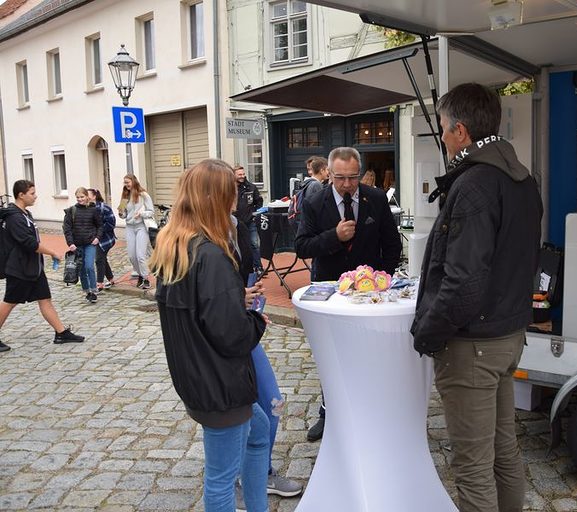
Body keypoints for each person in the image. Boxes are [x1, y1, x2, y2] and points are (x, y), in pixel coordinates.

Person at [410, 83, 543, 512]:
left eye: (445, 129)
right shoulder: (521, 179)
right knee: (503, 452)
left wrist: (427, 333)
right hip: (507, 337)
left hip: (474, 347)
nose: (443, 138)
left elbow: (463, 283)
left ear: (462, 132)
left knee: (472, 467)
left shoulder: (475, 184)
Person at [150, 159, 270, 511]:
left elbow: (197, 308)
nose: (236, 200)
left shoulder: (176, 246)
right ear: (216, 199)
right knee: (220, 479)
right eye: (231, 194)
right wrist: (256, 317)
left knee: (259, 435)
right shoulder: (210, 254)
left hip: (201, 376)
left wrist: (234, 298)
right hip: (221, 384)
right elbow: (233, 335)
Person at [295, 146, 402, 441]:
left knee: (369, 352)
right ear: (329, 174)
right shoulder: (314, 201)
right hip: (330, 292)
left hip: (370, 295)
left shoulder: (376, 199)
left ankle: (371, 411)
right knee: (331, 354)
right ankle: (328, 413)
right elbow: (302, 246)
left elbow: (392, 246)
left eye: (353, 178)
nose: (346, 185)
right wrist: (334, 237)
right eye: (340, 178)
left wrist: (381, 279)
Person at [230, 209, 303, 505]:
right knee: (241, 417)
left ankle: (261, 472)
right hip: (226, 341)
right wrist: (238, 298)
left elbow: (244, 274)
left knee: (272, 403)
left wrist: (252, 301)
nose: (234, 195)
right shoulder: (198, 240)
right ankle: (236, 477)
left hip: (245, 329)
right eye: (228, 188)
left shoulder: (235, 224)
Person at [0, 180, 85, 352]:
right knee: (9, 302)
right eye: (32, 193)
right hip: (19, 268)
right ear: (21, 195)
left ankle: (61, 333)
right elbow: (28, 242)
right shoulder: (15, 217)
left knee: (45, 298)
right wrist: (52, 252)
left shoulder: (25, 214)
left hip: (33, 267)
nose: (35, 196)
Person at [62, 186, 103, 303]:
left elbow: (100, 225)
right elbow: (67, 229)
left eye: (82, 197)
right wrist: (70, 243)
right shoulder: (71, 211)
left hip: (90, 242)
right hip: (77, 244)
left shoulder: (93, 210)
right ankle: (87, 291)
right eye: (78, 197)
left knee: (89, 266)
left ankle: (94, 290)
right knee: (82, 269)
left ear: (87, 197)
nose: (80, 199)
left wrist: (97, 238)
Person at [118, 174, 154, 289]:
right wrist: (121, 213)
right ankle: (140, 275)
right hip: (129, 227)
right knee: (132, 256)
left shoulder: (143, 195)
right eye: (125, 182)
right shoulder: (124, 197)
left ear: (134, 181)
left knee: (140, 255)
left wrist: (141, 214)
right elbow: (123, 215)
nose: (126, 185)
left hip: (141, 226)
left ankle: (146, 278)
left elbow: (151, 211)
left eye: (128, 182)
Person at [233, 165, 264, 275]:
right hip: (235, 223)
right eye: (239, 174)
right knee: (237, 245)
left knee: (254, 244)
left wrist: (253, 213)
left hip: (250, 221)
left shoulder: (251, 187)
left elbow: (259, 201)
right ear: (234, 175)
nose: (242, 176)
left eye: (243, 174)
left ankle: (259, 268)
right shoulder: (230, 188)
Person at [87, 189, 116, 292]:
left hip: (106, 239)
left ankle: (99, 284)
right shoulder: (87, 208)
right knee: (102, 259)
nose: (86, 197)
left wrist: (99, 231)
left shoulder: (105, 208)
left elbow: (111, 224)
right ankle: (111, 279)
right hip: (94, 239)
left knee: (99, 259)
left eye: (88, 195)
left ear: (94, 196)